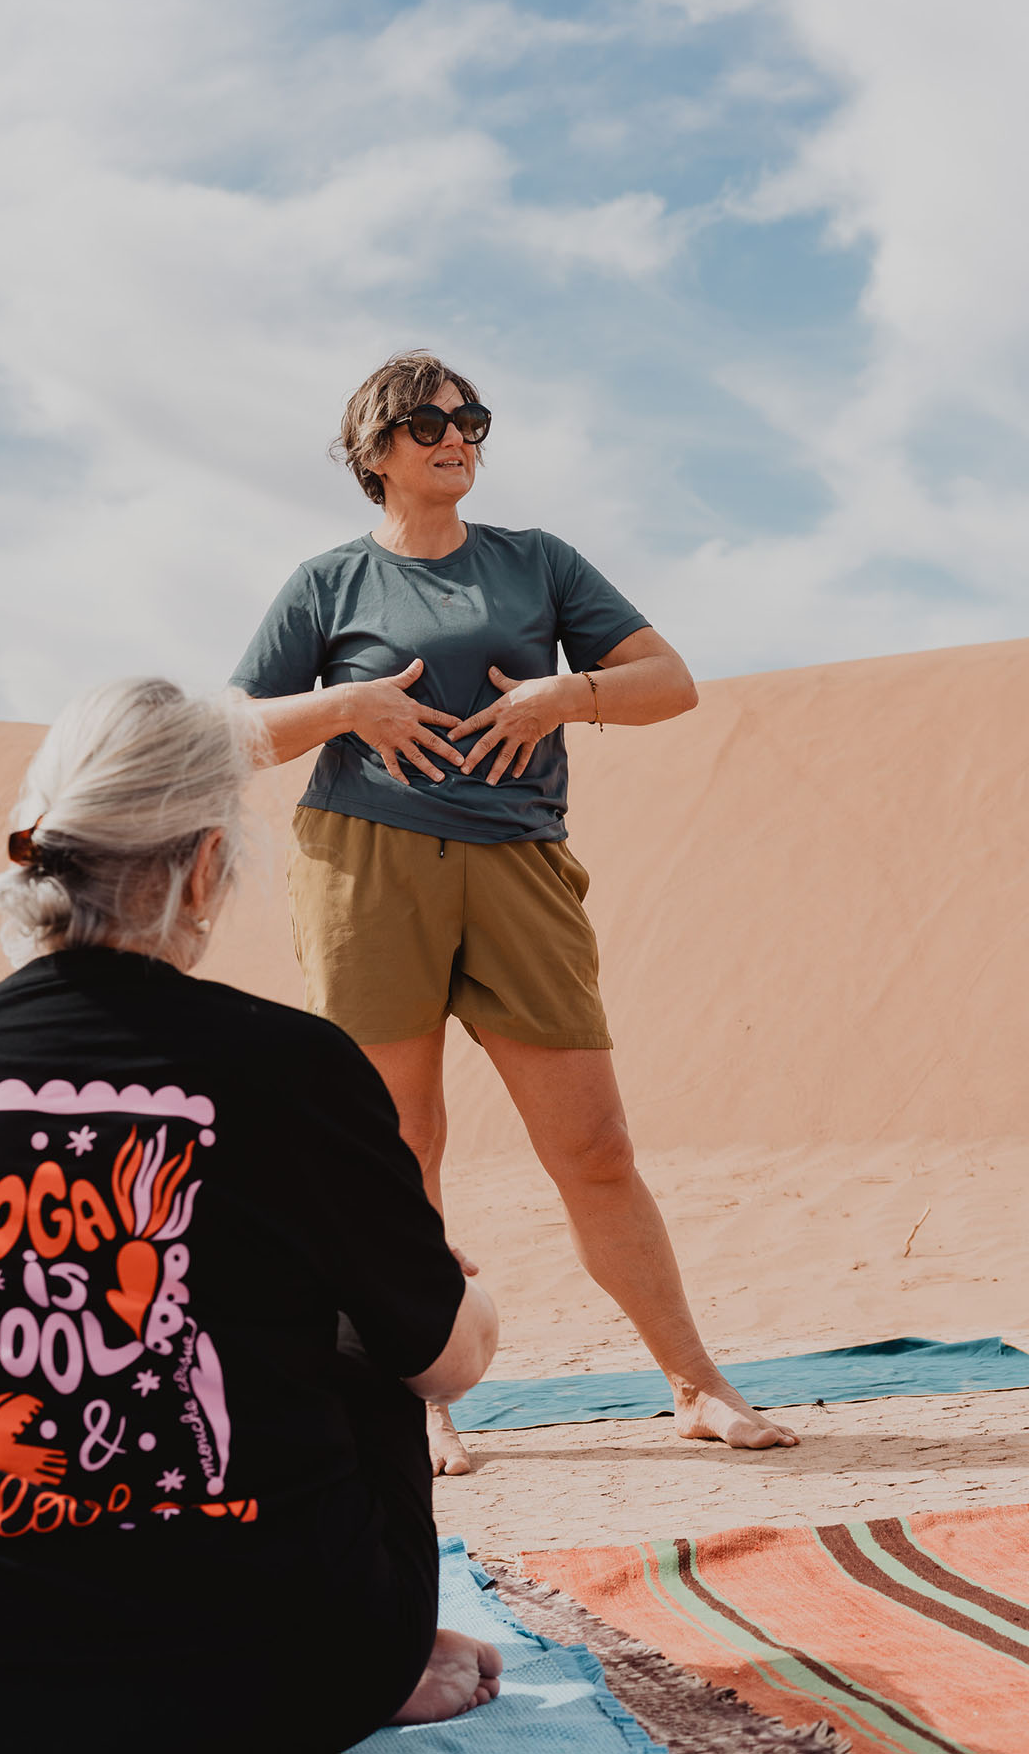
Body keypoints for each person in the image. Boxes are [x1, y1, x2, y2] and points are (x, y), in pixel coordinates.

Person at [0, 677, 501, 1754]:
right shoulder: (295, 1066)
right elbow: (445, 1364)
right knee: (370, 1325)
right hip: (262, 1682)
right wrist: (454, 1288)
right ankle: (372, 1650)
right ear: (204, 864)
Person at [230, 349, 798, 1477]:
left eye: (473, 419)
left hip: (521, 867)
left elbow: (671, 681)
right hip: (367, 865)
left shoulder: (538, 564)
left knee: (594, 1143)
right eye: (430, 421)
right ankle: (424, 1403)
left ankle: (696, 1383)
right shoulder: (326, 584)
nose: (459, 436)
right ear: (375, 450)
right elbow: (237, 729)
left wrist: (567, 691)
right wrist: (345, 703)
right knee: (401, 1150)